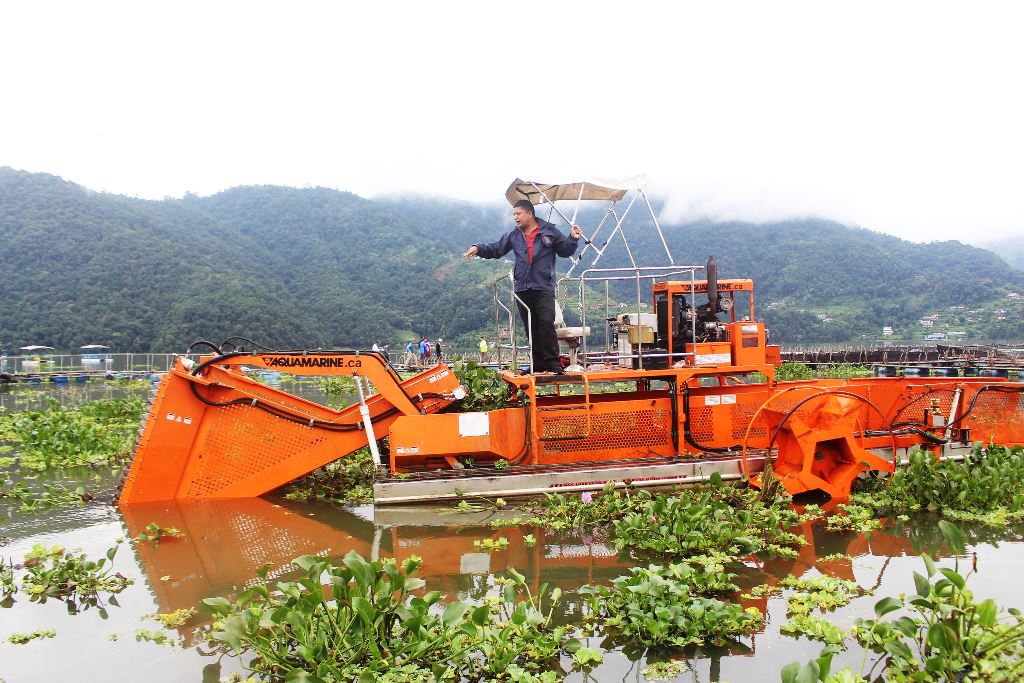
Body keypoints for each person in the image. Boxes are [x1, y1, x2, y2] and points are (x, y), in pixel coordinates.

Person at [464, 199, 582, 373]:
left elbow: (565, 251)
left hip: (543, 286)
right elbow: (497, 249)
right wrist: (478, 248)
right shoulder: (514, 235)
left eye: (518, 214)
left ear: (529, 213)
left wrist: (573, 238)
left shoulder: (549, 231)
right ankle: (537, 363)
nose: (515, 218)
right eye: (514, 214)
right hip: (523, 287)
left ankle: (553, 363)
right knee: (531, 327)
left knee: (546, 323)